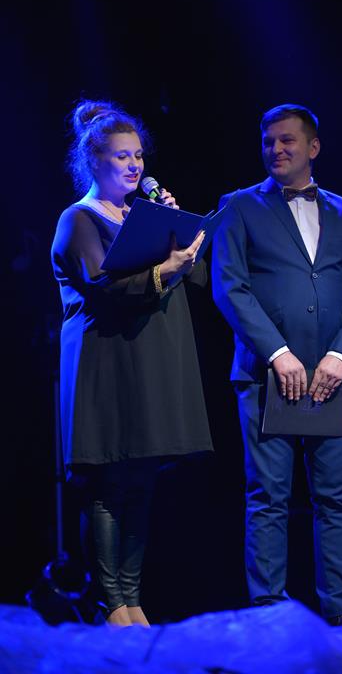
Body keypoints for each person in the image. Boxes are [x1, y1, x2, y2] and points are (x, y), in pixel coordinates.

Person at [211, 103, 342, 627]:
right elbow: (229, 287)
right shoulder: (239, 206)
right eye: (268, 141)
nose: (276, 149)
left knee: (336, 497)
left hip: (334, 376)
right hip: (267, 374)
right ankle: (268, 615)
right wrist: (278, 353)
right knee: (268, 496)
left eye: (287, 140)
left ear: (313, 147)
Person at [51, 99, 213, 626]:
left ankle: (132, 597)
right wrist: (165, 267)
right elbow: (104, 285)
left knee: (141, 479)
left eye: (138, 155)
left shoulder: (143, 215)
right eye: (122, 156)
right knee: (109, 482)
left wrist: (178, 235)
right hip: (105, 363)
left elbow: (195, 278)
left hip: (148, 361)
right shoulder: (79, 219)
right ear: (93, 161)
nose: (134, 165)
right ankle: (111, 602)